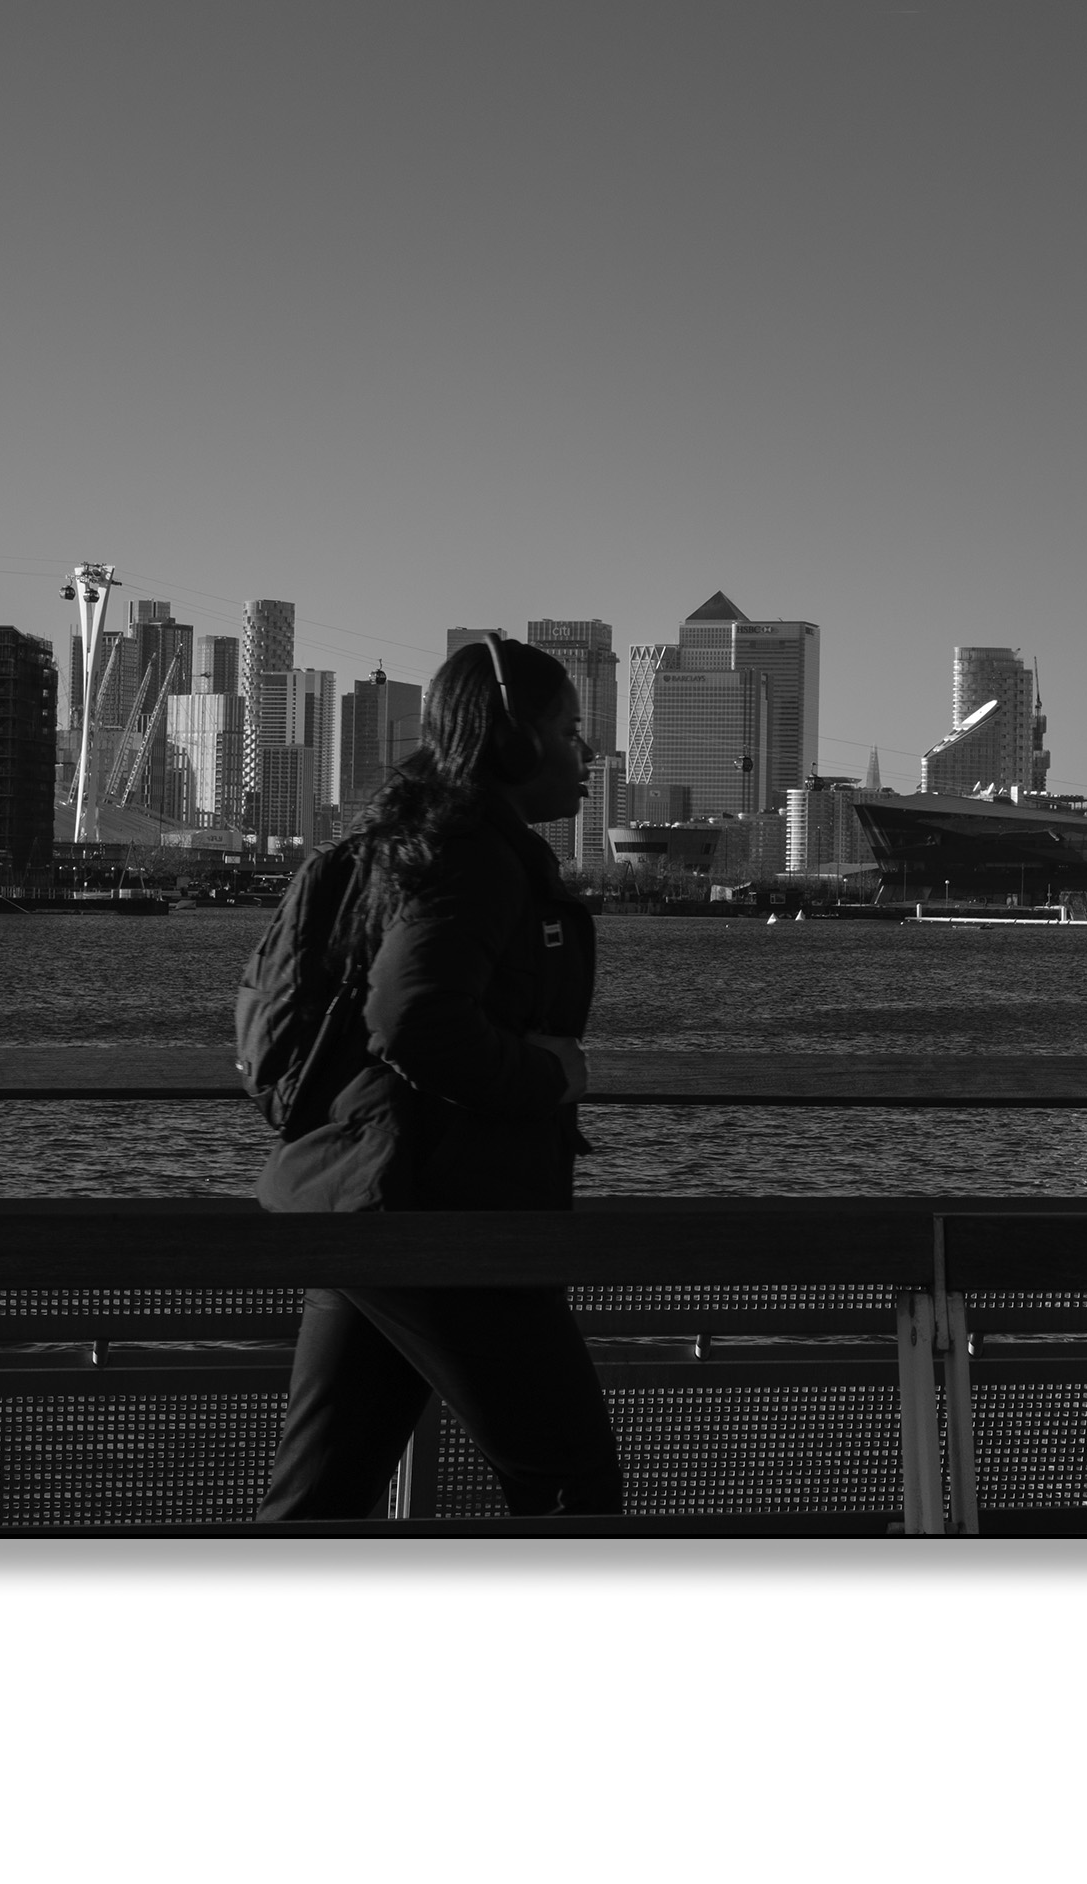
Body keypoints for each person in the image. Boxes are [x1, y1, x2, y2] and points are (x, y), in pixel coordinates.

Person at [255, 635, 622, 1520]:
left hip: (360, 1202)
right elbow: (413, 1019)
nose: (588, 756)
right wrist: (546, 1075)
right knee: (571, 1482)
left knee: (322, 1499)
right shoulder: (472, 856)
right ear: (515, 739)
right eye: (572, 733)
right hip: (435, 1215)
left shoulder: (408, 843)